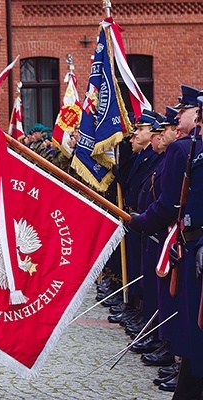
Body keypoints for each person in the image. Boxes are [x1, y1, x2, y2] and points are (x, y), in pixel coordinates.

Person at [129, 85, 203, 397]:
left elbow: (172, 202)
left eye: (190, 110)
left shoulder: (184, 149)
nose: (194, 116)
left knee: (190, 323)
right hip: (187, 241)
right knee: (189, 327)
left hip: (191, 243)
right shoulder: (191, 148)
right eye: (194, 110)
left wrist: (140, 221)